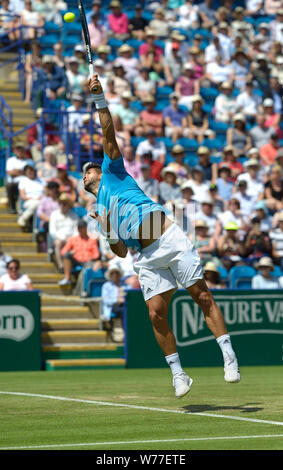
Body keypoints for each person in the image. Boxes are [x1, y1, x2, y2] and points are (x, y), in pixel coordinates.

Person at [83, 74, 241, 399]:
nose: (85, 171)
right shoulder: (99, 209)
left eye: (89, 167)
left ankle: (228, 355)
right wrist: (108, 227)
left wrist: (99, 99)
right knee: (156, 312)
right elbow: (121, 253)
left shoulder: (114, 170)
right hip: (146, 257)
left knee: (202, 296)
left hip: (169, 237)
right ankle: (178, 374)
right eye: (83, 172)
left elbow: (108, 130)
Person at [58, 220, 100, 286]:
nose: (81, 229)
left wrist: (92, 257)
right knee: (67, 255)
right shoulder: (73, 239)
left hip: (88, 261)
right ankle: (67, 278)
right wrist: (70, 252)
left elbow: (96, 253)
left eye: (82, 227)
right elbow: (63, 251)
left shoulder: (92, 239)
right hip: (76, 260)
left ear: (86, 228)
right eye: (79, 227)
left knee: (91, 265)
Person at [48, 193, 79, 271]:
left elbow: (76, 231)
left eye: (64, 204)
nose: (62, 205)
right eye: (61, 203)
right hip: (59, 238)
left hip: (71, 239)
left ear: (68, 205)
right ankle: (61, 265)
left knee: (77, 243)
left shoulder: (74, 216)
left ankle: (72, 264)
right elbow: (52, 231)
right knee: (58, 243)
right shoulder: (54, 214)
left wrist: (71, 239)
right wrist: (63, 238)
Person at [17, 161, 45, 230]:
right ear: (25, 172)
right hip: (29, 201)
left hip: (41, 201)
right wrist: (34, 198)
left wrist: (42, 197)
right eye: (28, 170)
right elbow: (23, 196)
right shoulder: (23, 181)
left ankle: (23, 219)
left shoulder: (42, 180)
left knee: (39, 204)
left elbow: (46, 192)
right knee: (37, 204)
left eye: (31, 170)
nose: (30, 172)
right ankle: (35, 227)